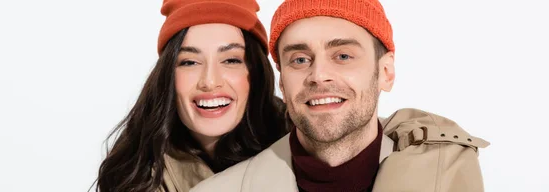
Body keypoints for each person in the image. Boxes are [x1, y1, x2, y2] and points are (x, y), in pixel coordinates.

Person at [190, 0, 490, 192]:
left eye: (343, 55)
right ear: (282, 83)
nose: (319, 75)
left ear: (386, 72)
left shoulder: (448, 174)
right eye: (300, 60)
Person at [94, 0, 288, 191]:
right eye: (189, 62)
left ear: (256, 72)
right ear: (168, 74)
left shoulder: (302, 144)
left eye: (230, 60)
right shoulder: (137, 173)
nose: (210, 81)